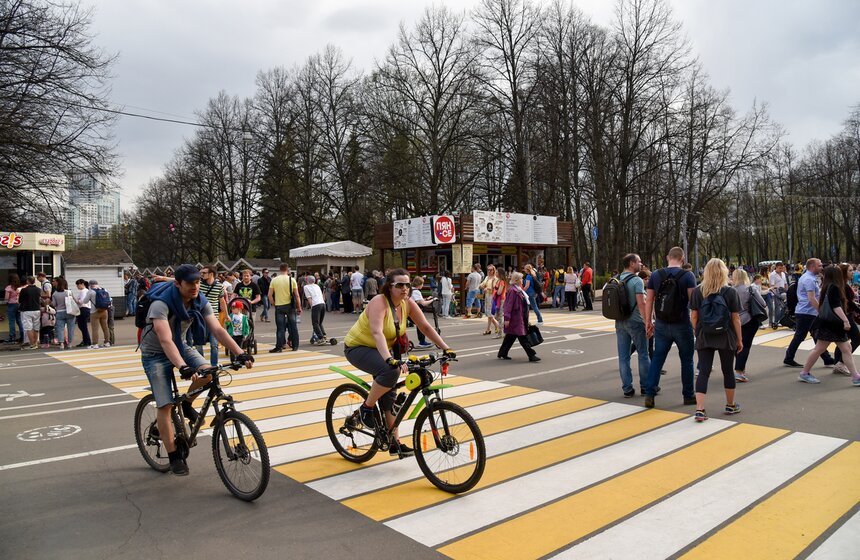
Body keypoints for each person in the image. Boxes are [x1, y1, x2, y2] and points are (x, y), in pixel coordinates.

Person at [139, 264, 254, 476]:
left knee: (209, 372)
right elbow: (164, 340)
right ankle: (174, 456)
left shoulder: (199, 300)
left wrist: (240, 353)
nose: (195, 286)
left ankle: (186, 403)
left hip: (181, 345)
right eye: (190, 282)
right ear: (178, 284)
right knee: (164, 406)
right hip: (155, 354)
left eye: (198, 282)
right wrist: (182, 366)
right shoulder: (160, 305)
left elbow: (217, 329)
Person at [343, 268, 454, 457]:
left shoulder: (407, 303)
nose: (404, 289)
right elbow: (377, 332)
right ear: (389, 286)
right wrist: (389, 359)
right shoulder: (379, 301)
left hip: (384, 348)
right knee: (390, 372)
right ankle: (366, 409)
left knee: (391, 393)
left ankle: (394, 443)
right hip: (359, 347)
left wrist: (446, 348)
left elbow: (425, 327)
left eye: (407, 285)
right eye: (399, 285)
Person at [643, 247, 698, 409]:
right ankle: (688, 395)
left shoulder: (655, 275)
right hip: (682, 323)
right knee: (687, 361)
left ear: (668, 257)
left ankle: (650, 395)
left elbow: (649, 300)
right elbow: (693, 302)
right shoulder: (688, 276)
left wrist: (648, 321)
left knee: (658, 360)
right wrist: (696, 324)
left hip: (661, 324)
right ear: (682, 258)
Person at [690, 258, 743, 422]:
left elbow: (693, 316)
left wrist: (697, 330)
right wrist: (739, 340)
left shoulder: (698, 291)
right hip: (725, 336)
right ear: (724, 272)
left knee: (703, 372)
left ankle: (700, 409)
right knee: (728, 371)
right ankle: (730, 405)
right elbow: (736, 319)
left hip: (705, 336)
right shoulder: (730, 292)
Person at [798, 265, 859, 386]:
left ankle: (856, 376)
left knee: (845, 349)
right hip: (832, 324)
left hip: (828, 324)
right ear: (836, 275)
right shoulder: (835, 287)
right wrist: (845, 320)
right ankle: (804, 373)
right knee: (821, 349)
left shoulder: (827, 286)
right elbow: (836, 306)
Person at [784, 258, 835, 370]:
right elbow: (811, 298)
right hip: (806, 312)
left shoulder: (809, 277)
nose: (822, 267)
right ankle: (788, 357)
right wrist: (821, 312)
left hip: (807, 312)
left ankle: (826, 358)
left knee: (816, 335)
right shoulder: (809, 279)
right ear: (812, 267)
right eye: (820, 265)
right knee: (801, 336)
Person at [613, 254, 650, 398]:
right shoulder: (637, 281)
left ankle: (627, 388)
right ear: (632, 263)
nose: (641, 264)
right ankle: (646, 387)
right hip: (635, 321)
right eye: (639, 262)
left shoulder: (616, 279)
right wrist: (648, 322)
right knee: (643, 354)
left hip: (620, 321)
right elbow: (642, 304)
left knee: (623, 357)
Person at [732, 269, 767, 383]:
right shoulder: (750, 289)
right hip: (749, 320)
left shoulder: (729, 290)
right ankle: (739, 371)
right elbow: (762, 303)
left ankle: (740, 368)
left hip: (732, 321)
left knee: (737, 344)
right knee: (745, 346)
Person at [497, 271, 539, 362]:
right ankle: (531, 355)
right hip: (515, 318)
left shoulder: (519, 289)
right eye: (521, 278)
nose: (522, 280)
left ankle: (502, 353)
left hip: (520, 317)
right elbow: (508, 305)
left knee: (510, 336)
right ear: (517, 280)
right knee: (522, 336)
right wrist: (507, 318)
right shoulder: (513, 290)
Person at [833, 263, 860, 375]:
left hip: (844, 316)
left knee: (842, 341)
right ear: (844, 272)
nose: (852, 272)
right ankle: (840, 363)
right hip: (845, 316)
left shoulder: (843, 284)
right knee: (857, 339)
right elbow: (848, 303)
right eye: (850, 270)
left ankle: (838, 363)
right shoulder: (842, 285)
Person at [269, 263, 301, 352]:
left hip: (279, 306)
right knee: (293, 326)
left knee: (280, 327)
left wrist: (274, 304)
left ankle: (279, 347)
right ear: (287, 270)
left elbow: (269, 295)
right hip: (290, 306)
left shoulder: (274, 280)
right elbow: (297, 296)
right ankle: (295, 346)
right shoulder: (292, 280)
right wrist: (299, 307)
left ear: (280, 269)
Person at [197, 265, 225, 366]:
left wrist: (226, 315)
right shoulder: (199, 284)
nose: (201, 275)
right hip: (200, 318)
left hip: (214, 318)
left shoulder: (219, 286)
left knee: (214, 344)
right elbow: (183, 281)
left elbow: (222, 301)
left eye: (204, 273)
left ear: (211, 274)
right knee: (198, 344)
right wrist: (164, 278)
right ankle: (201, 365)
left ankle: (213, 366)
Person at [410, 276, 435, 349]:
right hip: (413, 311)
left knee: (419, 325)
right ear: (419, 284)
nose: (423, 285)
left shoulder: (411, 290)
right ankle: (422, 342)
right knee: (421, 324)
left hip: (409, 311)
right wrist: (432, 300)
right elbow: (423, 304)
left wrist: (427, 299)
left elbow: (419, 301)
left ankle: (422, 341)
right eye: (422, 284)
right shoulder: (416, 291)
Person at [18, 276, 42, 350]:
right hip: (37, 310)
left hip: (27, 310)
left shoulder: (24, 290)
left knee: (29, 328)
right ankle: (35, 343)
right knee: (36, 327)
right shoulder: (38, 290)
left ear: (28, 281)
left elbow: (20, 300)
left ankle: (32, 344)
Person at [51, 277, 76, 350]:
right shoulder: (68, 292)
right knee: (70, 328)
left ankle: (61, 343)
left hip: (59, 312)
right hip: (70, 311)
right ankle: (69, 343)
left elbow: (54, 304)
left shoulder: (55, 293)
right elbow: (74, 301)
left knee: (60, 328)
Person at [304, 275, 328, 344]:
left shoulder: (306, 287)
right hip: (322, 304)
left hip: (316, 304)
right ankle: (324, 335)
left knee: (315, 323)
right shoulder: (317, 286)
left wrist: (312, 307)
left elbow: (309, 298)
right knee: (319, 322)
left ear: (307, 281)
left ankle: (320, 338)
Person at [88, 279, 111, 349]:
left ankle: (95, 344)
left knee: (95, 329)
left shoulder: (90, 292)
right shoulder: (104, 290)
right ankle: (107, 342)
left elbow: (85, 301)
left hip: (94, 312)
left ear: (90, 285)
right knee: (105, 327)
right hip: (104, 311)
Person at [73, 279, 93, 347]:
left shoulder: (83, 291)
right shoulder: (86, 291)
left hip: (83, 309)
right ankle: (86, 340)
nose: (77, 286)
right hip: (86, 309)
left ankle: (87, 341)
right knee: (82, 326)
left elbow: (82, 301)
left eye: (78, 285)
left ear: (82, 284)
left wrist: (76, 300)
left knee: (82, 326)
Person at [480, 264, 500, 335]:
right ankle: (488, 329)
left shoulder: (495, 278)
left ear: (493, 270)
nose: (489, 271)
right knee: (488, 313)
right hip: (487, 296)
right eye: (488, 269)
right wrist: (481, 286)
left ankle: (497, 325)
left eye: (491, 270)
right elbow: (482, 284)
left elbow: (495, 288)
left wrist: (487, 288)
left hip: (492, 297)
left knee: (489, 313)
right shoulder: (487, 277)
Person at [768, 262, 788, 328]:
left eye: (782, 268)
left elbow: (785, 283)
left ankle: (780, 320)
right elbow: (772, 285)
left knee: (784, 307)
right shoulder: (772, 274)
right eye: (779, 268)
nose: (781, 269)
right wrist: (775, 294)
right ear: (776, 267)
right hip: (776, 293)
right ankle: (776, 321)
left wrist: (787, 291)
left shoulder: (783, 274)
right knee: (777, 308)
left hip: (783, 292)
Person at [4, 273, 23, 343]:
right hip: (19, 305)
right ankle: (22, 336)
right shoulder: (20, 287)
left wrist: (6, 301)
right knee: (19, 321)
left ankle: (12, 337)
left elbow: (6, 298)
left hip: (11, 305)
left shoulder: (9, 288)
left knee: (11, 321)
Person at [491, 266, 507, 339]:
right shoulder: (498, 281)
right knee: (498, 316)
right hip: (497, 300)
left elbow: (499, 292)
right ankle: (504, 331)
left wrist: (495, 291)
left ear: (500, 273)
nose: (496, 273)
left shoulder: (501, 282)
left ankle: (501, 333)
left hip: (501, 300)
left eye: (497, 272)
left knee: (500, 317)